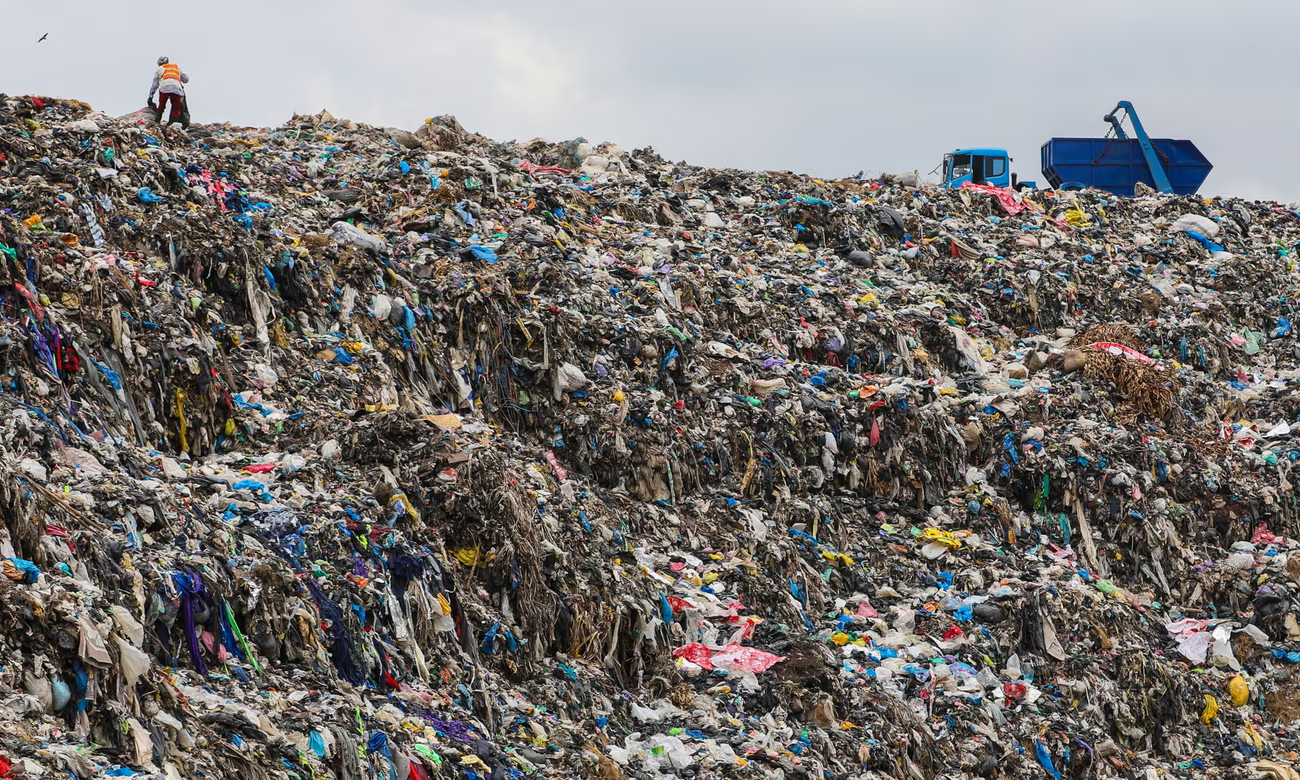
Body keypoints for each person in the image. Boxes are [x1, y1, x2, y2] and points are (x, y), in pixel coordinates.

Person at [147, 57, 190, 128]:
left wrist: (150, 96)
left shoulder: (159, 69)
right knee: (176, 108)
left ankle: (157, 122)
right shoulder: (176, 67)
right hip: (177, 88)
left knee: (161, 106)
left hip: (164, 87)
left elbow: (155, 85)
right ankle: (171, 124)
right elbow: (186, 80)